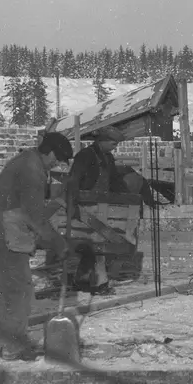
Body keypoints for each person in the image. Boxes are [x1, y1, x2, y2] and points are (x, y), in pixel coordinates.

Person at [0, 132, 74, 361]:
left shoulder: (29, 161)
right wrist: (58, 242)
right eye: (56, 160)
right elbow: (34, 215)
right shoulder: (32, 169)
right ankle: (12, 346)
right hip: (3, 230)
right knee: (17, 288)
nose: (56, 165)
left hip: (0, 226)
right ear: (48, 152)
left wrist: (56, 199)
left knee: (12, 287)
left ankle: (10, 342)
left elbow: (27, 203)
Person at [66, 126, 130, 295]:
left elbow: (114, 180)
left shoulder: (108, 157)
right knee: (98, 245)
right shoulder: (85, 156)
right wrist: (73, 205)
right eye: (112, 143)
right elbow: (73, 181)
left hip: (102, 206)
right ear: (101, 141)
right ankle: (101, 284)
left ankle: (81, 279)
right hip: (85, 206)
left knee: (93, 245)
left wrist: (129, 197)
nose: (114, 146)